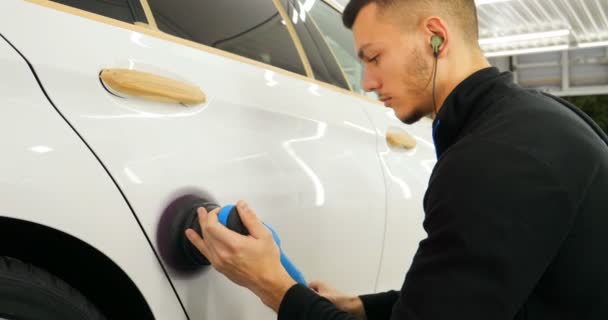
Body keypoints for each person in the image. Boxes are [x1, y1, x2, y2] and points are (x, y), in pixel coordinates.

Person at [185, 0, 608, 319]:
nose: (367, 83)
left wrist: (272, 285)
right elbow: (464, 300)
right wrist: (359, 307)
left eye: (374, 57)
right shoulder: (527, 124)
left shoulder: (495, 159)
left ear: (436, 37)